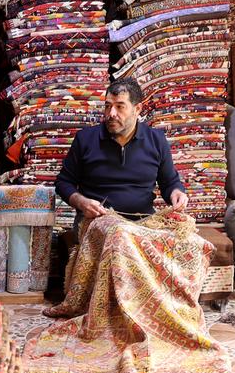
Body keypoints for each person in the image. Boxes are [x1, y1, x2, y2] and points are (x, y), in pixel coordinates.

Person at [44, 77, 188, 318]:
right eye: (107, 106)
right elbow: (64, 182)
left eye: (120, 106)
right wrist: (81, 202)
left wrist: (176, 193)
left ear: (137, 109)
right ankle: (121, 310)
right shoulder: (86, 139)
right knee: (120, 234)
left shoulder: (156, 141)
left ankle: (169, 309)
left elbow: (169, 182)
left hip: (143, 220)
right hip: (98, 220)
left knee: (189, 238)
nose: (111, 113)